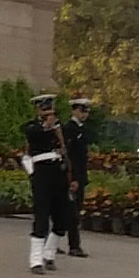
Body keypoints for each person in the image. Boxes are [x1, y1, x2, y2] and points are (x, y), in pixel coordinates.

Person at [21, 92, 71, 274]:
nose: (50, 113)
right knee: (41, 218)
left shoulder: (60, 129)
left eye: (51, 110)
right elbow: (33, 136)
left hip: (58, 173)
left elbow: (67, 149)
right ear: (38, 110)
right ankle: (35, 261)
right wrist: (47, 127)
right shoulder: (32, 127)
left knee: (62, 218)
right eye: (45, 109)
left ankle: (49, 255)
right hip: (41, 174)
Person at [63, 95, 100, 258]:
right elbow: (71, 157)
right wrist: (74, 178)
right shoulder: (69, 129)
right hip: (72, 176)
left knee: (70, 211)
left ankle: (54, 242)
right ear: (74, 111)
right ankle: (74, 245)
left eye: (86, 111)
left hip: (80, 175)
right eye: (81, 111)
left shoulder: (82, 129)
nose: (84, 114)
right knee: (71, 212)